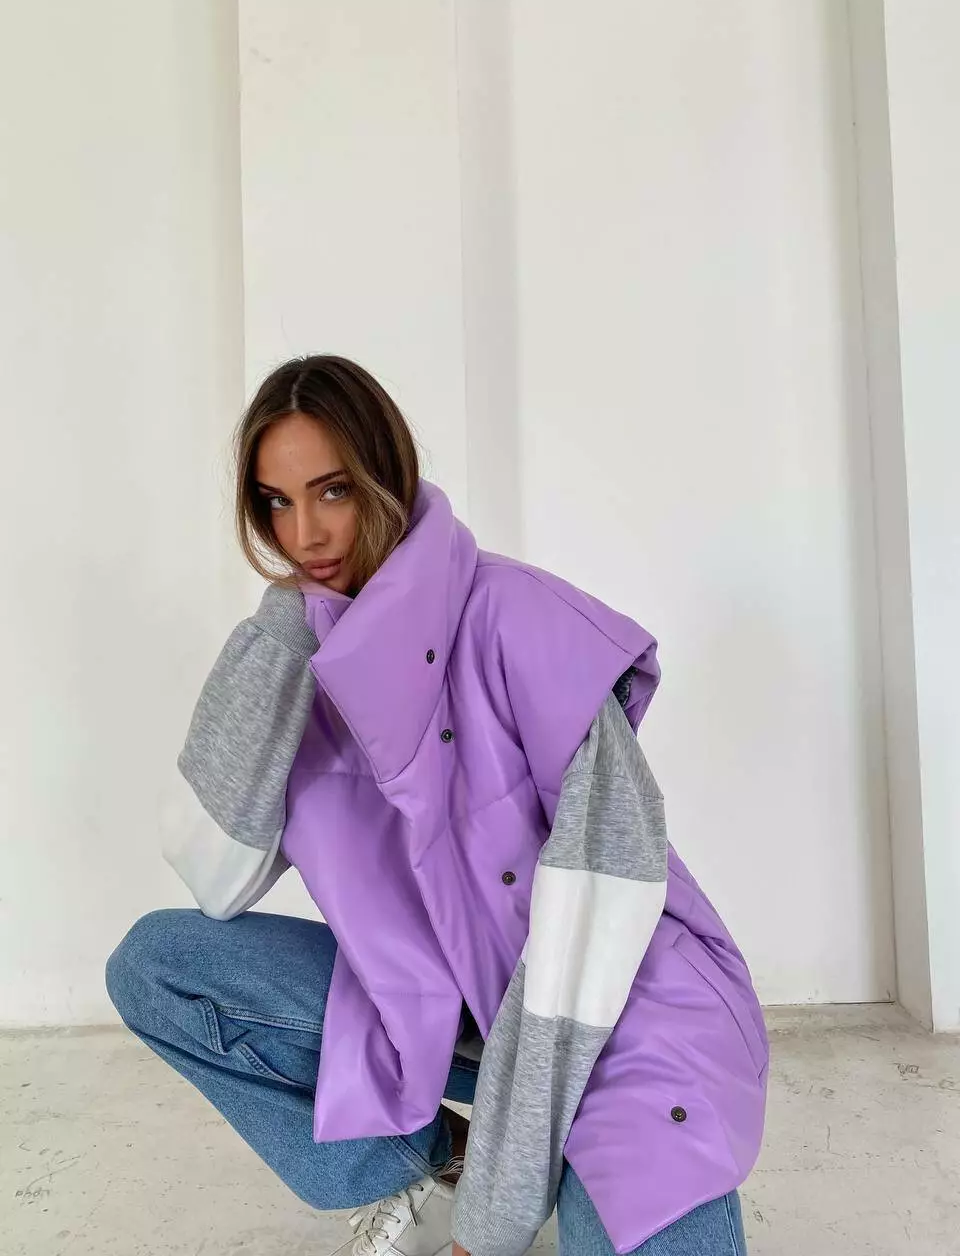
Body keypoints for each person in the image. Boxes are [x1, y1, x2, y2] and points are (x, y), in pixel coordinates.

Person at [106, 355, 768, 1256]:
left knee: (636, 1204)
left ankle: (541, 1173)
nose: (304, 533)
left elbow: (589, 942)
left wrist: (493, 1224)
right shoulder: (303, 653)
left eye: (332, 491)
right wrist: (278, 634)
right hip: (438, 1008)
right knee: (159, 966)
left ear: (385, 475)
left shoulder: (519, 616)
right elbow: (214, 874)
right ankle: (429, 1167)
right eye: (275, 502)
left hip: (621, 1022)